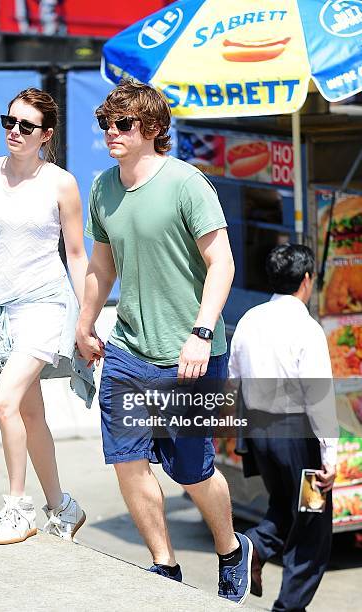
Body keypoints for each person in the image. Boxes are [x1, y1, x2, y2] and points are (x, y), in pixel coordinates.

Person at [75, 80, 252, 604]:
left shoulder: (187, 183)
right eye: (107, 122)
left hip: (192, 352)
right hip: (129, 348)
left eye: (123, 124)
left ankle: (230, 550)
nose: (112, 131)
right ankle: (164, 566)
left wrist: (201, 333)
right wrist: (85, 324)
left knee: (192, 472)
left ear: (153, 131)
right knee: (128, 459)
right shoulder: (103, 186)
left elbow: (223, 262)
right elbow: (102, 266)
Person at [0, 88, 89, 545]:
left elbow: (77, 253)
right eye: (9, 121)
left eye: (26, 126)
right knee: (29, 413)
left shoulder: (61, 182)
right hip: (1, 309)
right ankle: (63, 505)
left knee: (4, 400)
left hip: (46, 304)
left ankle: (17, 506)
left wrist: (87, 318)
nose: (14, 132)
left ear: (46, 135)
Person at [228, 244, 339, 611]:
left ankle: (253, 549)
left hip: (260, 435)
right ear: (307, 280)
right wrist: (330, 457)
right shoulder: (306, 328)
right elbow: (318, 399)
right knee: (313, 525)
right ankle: (288, 608)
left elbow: (233, 379)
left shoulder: (249, 319)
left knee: (282, 505)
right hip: (299, 441)